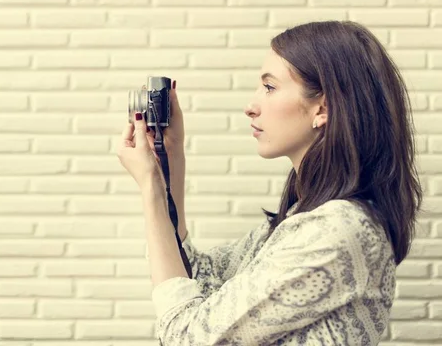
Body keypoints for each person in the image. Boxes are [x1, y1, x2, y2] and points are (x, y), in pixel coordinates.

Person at [145, 20, 423, 345]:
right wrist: (171, 162)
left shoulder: (336, 231)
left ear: (323, 108)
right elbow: (200, 279)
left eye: (270, 87)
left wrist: (150, 189)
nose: (251, 106)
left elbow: (188, 337)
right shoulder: (296, 222)